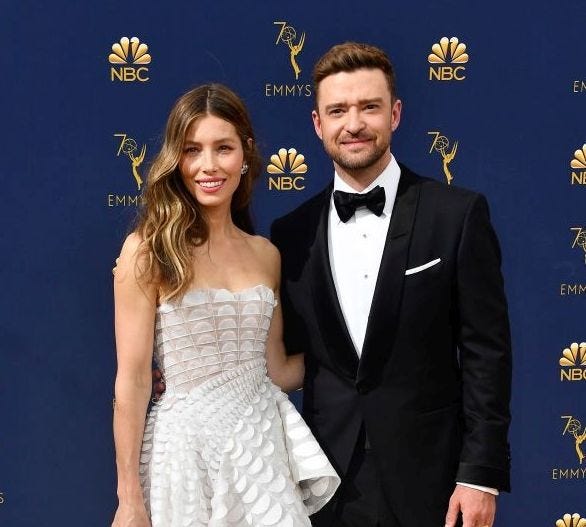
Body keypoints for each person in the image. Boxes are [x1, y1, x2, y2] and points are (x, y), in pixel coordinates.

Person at [269, 42, 512, 527]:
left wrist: (479, 475)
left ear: (395, 114)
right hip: (325, 483)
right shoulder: (290, 235)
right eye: (337, 110)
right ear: (318, 124)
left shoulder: (456, 215)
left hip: (435, 483)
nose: (353, 123)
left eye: (369, 107)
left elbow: (487, 353)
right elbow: (287, 358)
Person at [111, 83, 339, 527]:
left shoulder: (266, 254)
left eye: (223, 148)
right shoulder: (147, 250)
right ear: (176, 159)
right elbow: (133, 381)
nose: (208, 166)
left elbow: (276, 370)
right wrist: (128, 498)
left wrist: (348, 348)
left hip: (259, 449)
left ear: (246, 153)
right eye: (192, 150)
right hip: (183, 452)